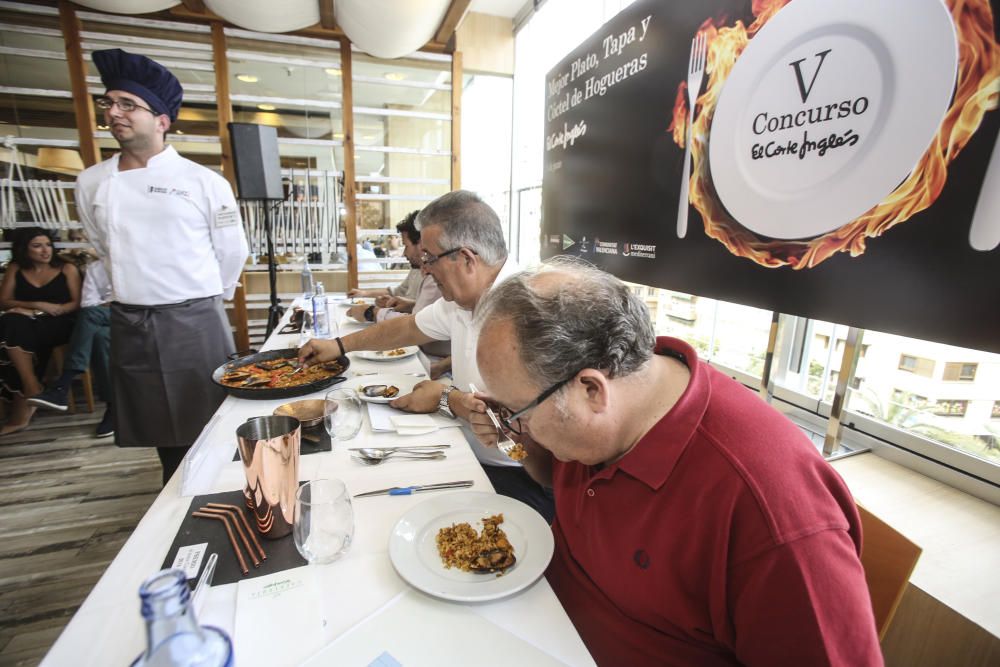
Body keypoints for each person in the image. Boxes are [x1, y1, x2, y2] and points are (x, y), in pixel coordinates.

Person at [470, 259, 883, 666]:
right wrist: (519, 438)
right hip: (540, 621)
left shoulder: (773, 515)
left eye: (517, 411)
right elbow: (560, 484)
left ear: (592, 390)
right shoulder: (607, 416)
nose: (515, 424)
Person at [300, 190, 554, 521]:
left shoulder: (533, 312)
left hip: (516, 477)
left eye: (429, 259)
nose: (425, 272)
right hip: (466, 450)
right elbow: (407, 329)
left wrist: (451, 399)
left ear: (466, 258)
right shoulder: (462, 299)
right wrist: (339, 345)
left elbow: (536, 452)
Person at [77, 48, 249, 486]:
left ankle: (220, 492)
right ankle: (174, 498)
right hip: (131, 319)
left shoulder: (203, 182)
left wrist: (210, 299)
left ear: (162, 120)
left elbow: (232, 251)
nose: (114, 112)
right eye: (109, 103)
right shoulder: (92, 181)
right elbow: (101, 246)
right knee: (160, 428)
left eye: (127, 104)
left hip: (193, 317)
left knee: (210, 420)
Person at [346, 211, 450, 374]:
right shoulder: (424, 271)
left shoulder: (438, 275)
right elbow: (436, 313)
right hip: (424, 354)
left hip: (431, 358)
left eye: (406, 246)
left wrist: (370, 313)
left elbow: (417, 325)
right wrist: (410, 305)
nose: (404, 253)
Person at [0, 228, 81, 434]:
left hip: (61, 321)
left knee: (13, 329)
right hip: (28, 323)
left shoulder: (67, 268)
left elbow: (76, 303)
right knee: (12, 322)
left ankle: (29, 394)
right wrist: (35, 305)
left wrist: (40, 311)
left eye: (48, 245)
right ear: (24, 249)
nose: (45, 251)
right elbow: (4, 301)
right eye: (37, 246)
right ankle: (33, 387)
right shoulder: (16, 268)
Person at [29, 261, 114, 439]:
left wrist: (108, 304)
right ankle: (113, 409)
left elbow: (140, 298)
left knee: (91, 316)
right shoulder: (96, 267)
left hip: (140, 315)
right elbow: (88, 302)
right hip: (108, 321)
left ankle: (63, 385)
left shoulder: (139, 261)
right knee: (98, 337)